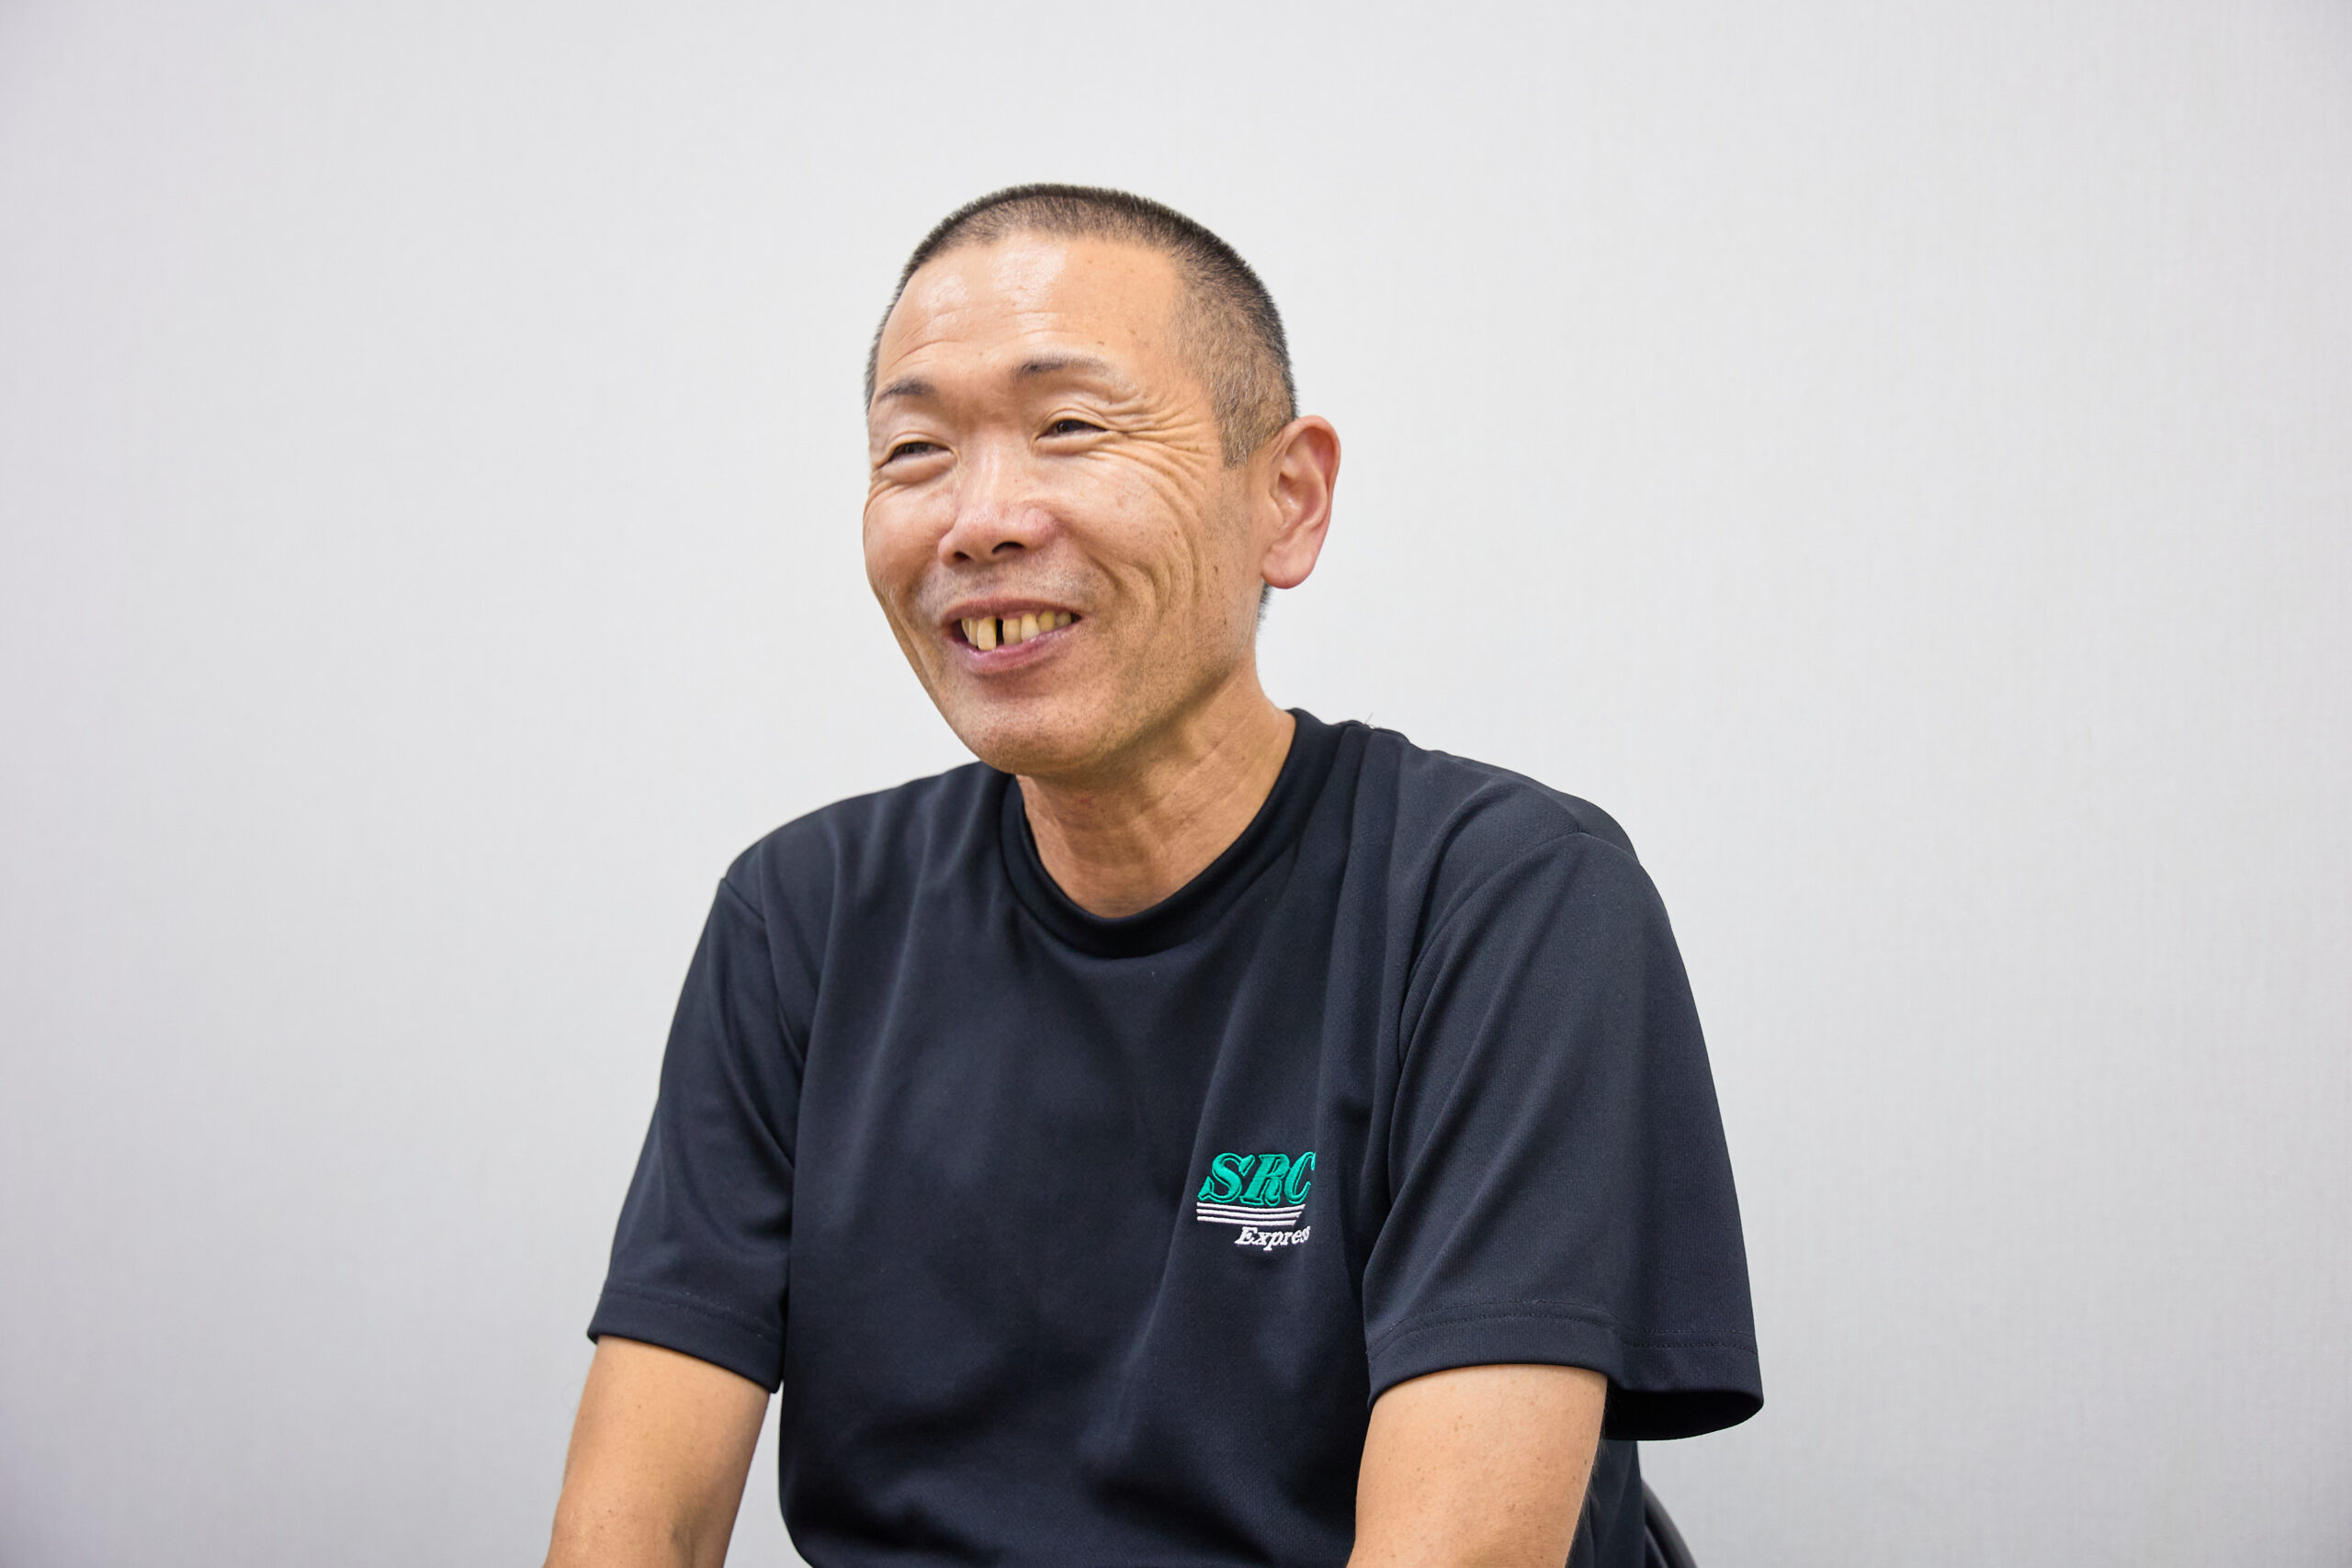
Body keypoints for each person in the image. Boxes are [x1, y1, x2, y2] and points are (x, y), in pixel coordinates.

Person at [542, 185, 1759, 1568]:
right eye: (916, 450)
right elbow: (632, 1526)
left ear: (1286, 501)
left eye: (1070, 427)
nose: (980, 521)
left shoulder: (1503, 903)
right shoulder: (804, 920)